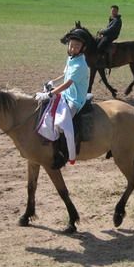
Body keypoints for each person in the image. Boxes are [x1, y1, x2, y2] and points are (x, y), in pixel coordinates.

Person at [35, 29, 90, 168]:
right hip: (66, 94)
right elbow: (65, 76)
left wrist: (50, 94)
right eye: (71, 45)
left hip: (75, 100)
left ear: (83, 48)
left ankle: (63, 154)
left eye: (77, 46)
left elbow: (67, 84)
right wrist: (52, 82)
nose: (73, 48)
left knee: (61, 124)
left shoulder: (80, 65)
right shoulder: (71, 59)